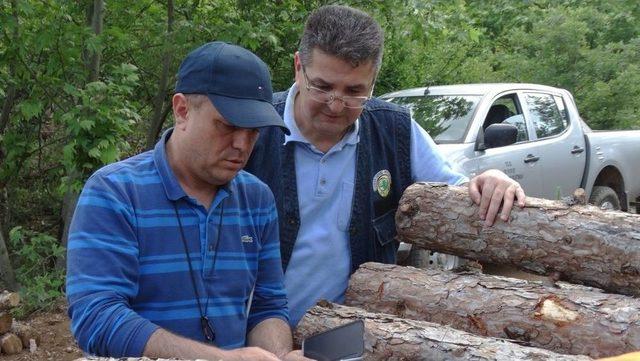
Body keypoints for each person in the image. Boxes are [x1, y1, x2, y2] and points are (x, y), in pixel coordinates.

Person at [244, 5, 526, 327]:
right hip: (255, 336)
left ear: (373, 83)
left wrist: (491, 178)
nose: (336, 105)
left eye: (354, 91)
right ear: (298, 67)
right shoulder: (254, 128)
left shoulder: (394, 130)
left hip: (352, 337)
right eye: (322, 87)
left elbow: (456, 189)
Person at [66, 41, 309, 361]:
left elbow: (267, 306)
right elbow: (97, 318)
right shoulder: (115, 192)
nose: (242, 144)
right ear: (182, 110)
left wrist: (279, 355)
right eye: (228, 125)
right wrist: (219, 359)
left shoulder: (257, 198)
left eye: (254, 131)